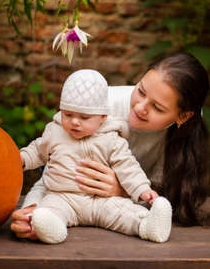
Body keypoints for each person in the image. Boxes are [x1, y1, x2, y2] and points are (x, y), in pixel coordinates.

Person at [11, 53, 209, 240]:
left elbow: (159, 196)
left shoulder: (184, 134)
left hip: (112, 207)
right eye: (140, 91)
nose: (140, 107)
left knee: (134, 216)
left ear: (183, 116)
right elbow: (53, 167)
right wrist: (32, 211)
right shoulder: (95, 104)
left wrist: (123, 190)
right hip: (64, 198)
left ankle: (146, 227)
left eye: (157, 107)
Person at [19, 69, 172, 244]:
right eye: (68, 114)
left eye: (84, 117)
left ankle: (147, 225)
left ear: (102, 117)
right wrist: (21, 159)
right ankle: (52, 228)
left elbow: (128, 167)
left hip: (102, 200)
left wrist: (143, 190)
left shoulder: (112, 139)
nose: (74, 121)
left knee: (124, 211)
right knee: (50, 208)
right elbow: (37, 151)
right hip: (64, 197)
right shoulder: (55, 132)